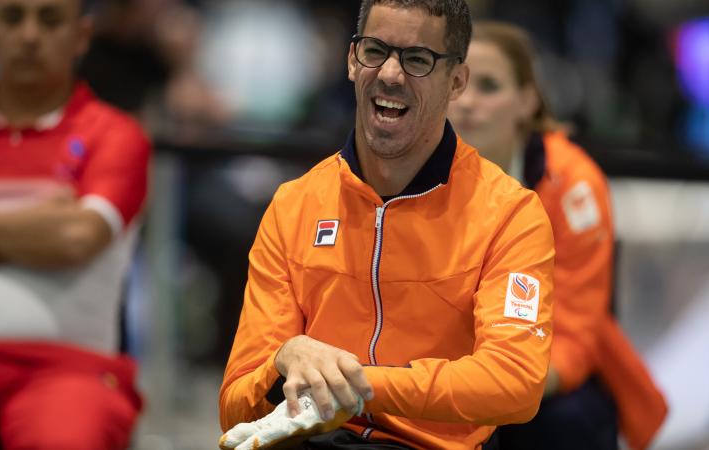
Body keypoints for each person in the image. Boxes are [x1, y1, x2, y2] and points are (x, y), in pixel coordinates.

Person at [218, 1, 556, 449]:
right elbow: (235, 404)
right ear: (352, 62)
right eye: (375, 50)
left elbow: (514, 383)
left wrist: (358, 386)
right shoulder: (293, 204)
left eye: (417, 59)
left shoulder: (511, 214)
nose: (391, 74)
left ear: (456, 81)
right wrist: (283, 359)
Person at [448, 21, 667, 450]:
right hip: (449, 366)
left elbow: (575, 331)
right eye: (459, 85)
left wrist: (505, 385)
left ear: (527, 100)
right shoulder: (417, 168)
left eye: (489, 86)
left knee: (568, 425)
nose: (468, 103)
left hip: (544, 370)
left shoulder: (575, 186)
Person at [0, 0, 150, 449]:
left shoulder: (116, 135)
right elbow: (60, 235)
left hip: (70, 372)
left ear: (81, 35)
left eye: (49, 19)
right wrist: (40, 221)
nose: (29, 35)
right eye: (13, 17)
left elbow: (77, 238)